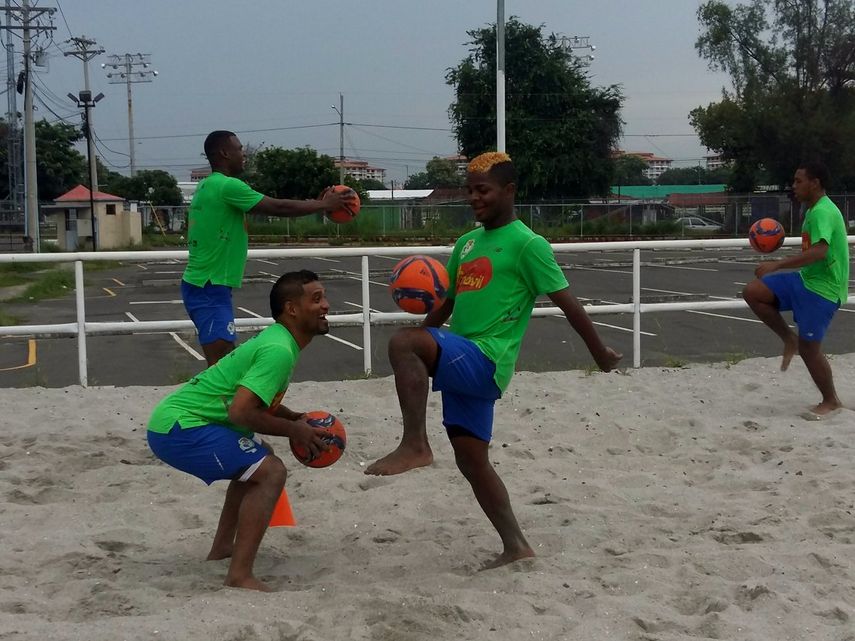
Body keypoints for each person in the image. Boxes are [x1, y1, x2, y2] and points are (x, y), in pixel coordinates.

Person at [365, 151, 622, 568]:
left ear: (509, 190)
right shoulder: (466, 243)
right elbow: (447, 302)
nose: (474, 198)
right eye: (469, 191)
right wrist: (424, 335)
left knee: (401, 343)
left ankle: (415, 444)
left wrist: (599, 351)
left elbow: (566, 301)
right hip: (461, 358)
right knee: (471, 461)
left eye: (482, 190)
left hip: (487, 359)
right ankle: (516, 545)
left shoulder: (528, 244)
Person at [147, 270, 332, 591]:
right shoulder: (279, 350)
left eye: (324, 297)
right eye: (316, 299)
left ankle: (222, 548)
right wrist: (294, 431)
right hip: (179, 427)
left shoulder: (279, 341)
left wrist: (295, 417)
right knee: (271, 472)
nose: (326, 305)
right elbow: (242, 412)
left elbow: (253, 402)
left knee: (259, 462)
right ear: (291, 309)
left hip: (178, 421)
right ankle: (239, 575)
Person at [182, 130, 356, 366]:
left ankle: (230, 402)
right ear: (224, 153)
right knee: (221, 365)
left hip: (207, 285)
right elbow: (279, 207)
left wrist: (317, 204)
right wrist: (323, 204)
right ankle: (218, 403)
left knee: (224, 361)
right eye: (239, 149)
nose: (243, 154)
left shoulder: (208, 185)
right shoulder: (227, 186)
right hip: (208, 286)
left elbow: (280, 206)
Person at [743, 161, 849, 417]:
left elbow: (820, 251)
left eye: (798, 181)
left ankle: (831, 400)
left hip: (823, 290)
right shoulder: (813, 210)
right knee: (753, 292)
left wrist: (777, 263)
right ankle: (788, 338)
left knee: (810, 350)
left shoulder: (823, 211)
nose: (794, 186)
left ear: (815, 183)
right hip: (805, 280)